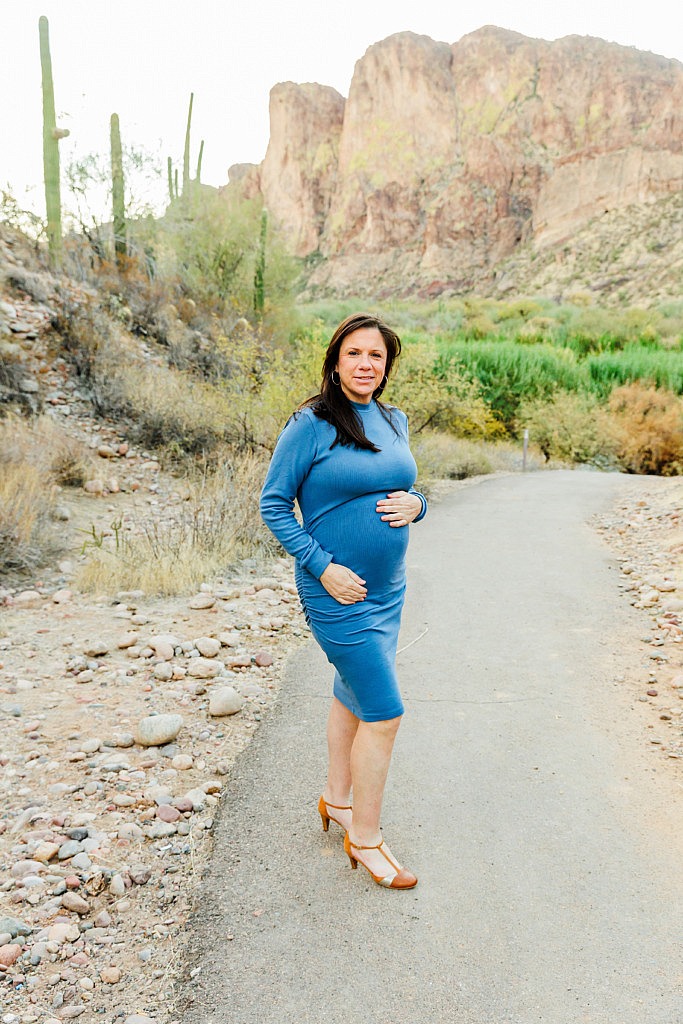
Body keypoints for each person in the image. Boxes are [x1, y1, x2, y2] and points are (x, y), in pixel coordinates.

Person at [260, 312, 427, 890]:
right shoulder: (311, 423)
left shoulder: (394, 419)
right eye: (355, 353)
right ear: (336, 361)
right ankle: (367, 838)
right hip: (336, 591)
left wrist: (419, 505)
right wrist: (324, 566)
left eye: (376, 356)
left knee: (350, 694)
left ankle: (337, 799)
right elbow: (274, 505)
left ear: (387, 366)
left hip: (388, 589)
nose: (365, 364)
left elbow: (406, 485)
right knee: (385, 712)